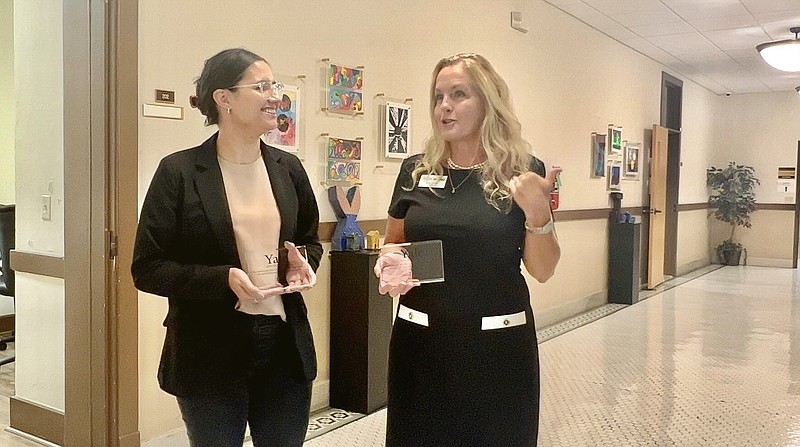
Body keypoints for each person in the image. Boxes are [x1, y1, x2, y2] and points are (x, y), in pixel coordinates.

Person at [131, 48, 322, 447]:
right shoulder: (179, 172)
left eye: (276, 86)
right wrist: (224, 279)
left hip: (284, 345)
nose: (275, 96)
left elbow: (308, 240)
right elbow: (147, 267)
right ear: (224, 99)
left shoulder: (288, 169)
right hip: (208, 351)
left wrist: (302, 263)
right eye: (262, 86)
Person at [374, 53, 562, 446]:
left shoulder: (524, 171)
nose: (444, 105)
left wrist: (537, 212)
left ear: (488, 102)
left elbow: (543, 270)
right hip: (420, 341)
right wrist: (390, 261)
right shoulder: (416, 171)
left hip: (496, 346)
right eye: (439, 96)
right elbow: (394, 241)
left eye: (459, 94)